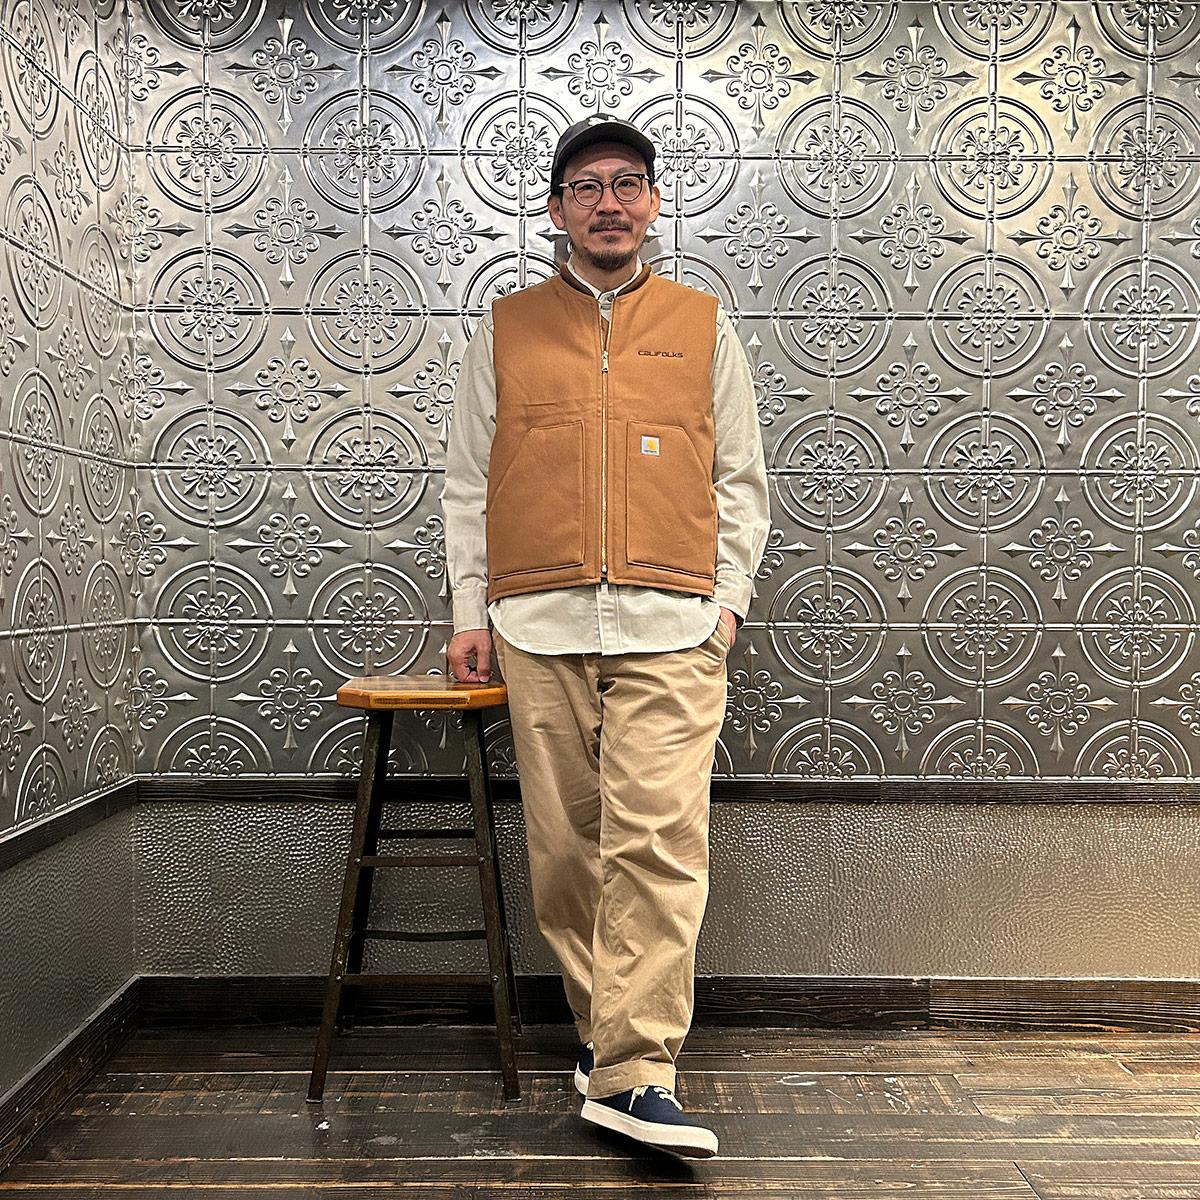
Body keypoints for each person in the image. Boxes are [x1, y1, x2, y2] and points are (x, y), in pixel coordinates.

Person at [440, 114, 769, 1159]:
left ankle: (635, 1074)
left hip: (673, 623)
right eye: (586, 186)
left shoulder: (703, 326)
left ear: (655, 204)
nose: (609, 202)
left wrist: (727, 604)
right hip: (538, 622)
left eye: (628, 183)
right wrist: (470, 613)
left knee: (659, 840)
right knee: (568, 854)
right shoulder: (506, 329)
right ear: (556, 210)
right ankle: (603, 1038)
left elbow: (741, 480)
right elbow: (465, 483)